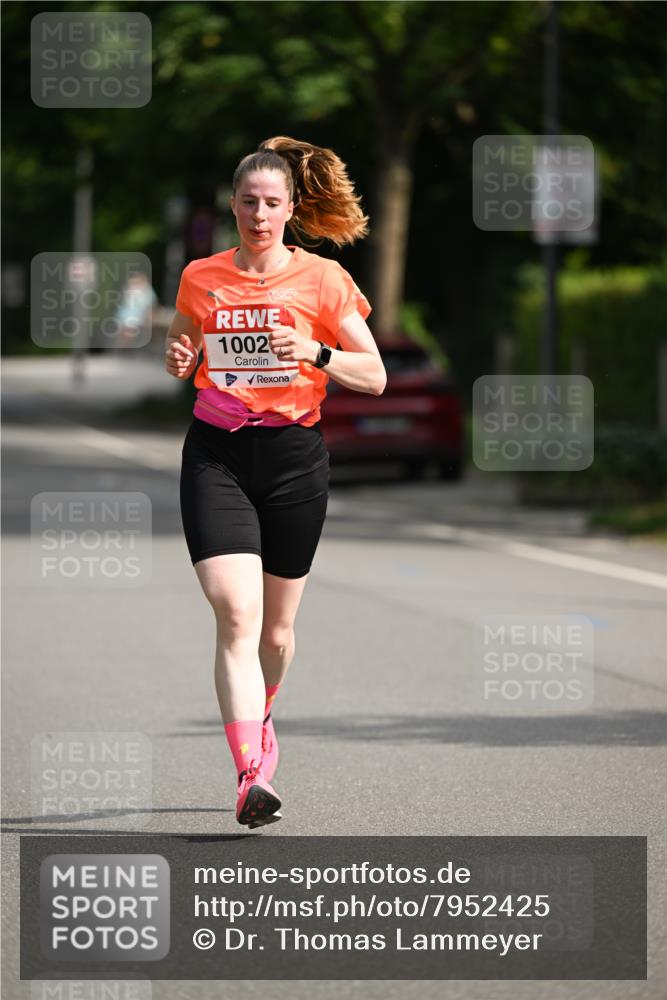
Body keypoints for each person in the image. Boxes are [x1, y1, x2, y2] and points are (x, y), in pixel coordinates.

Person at [165, 136, 386, 829]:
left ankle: (262, 718)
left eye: (272, 203)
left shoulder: (322, 281)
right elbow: (182, 347)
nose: (259, 214)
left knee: (278, 633)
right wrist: (178, 356)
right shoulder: (201, 276)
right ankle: (249, 774)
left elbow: (374, 375)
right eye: (248, 202)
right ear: (232, 206)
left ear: (291, 209)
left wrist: (316, 351)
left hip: (293, 458)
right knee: (235, 613)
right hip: (218, 455)